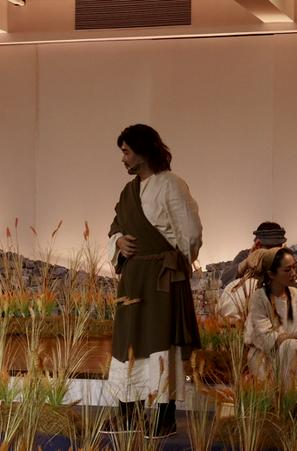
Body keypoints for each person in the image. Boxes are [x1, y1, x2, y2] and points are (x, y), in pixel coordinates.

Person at [106, 124, 202, 438]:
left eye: (126, 151)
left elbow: (190, 232)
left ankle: (164, 416)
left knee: (161, 343)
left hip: (162, 279)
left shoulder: (171, 184)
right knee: (129, 342)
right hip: (133, 279)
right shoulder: (128, 192)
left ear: (144, 151)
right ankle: (127, 414)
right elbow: (116, 227)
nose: (123, 159)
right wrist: (118, 242)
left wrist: (176, 265)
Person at [244, 247, 297, 389]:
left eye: (294, 268)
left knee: (292, 347)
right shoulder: (259, 299)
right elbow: (267, 339)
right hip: (265, 360)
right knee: (289, 346)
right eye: (287, 270)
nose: (293, 273)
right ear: (271, 274)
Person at [220, 222, 287, 287]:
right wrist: (246, 263)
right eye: (269, 247)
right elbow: (224, 280)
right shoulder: (244, 255)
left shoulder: (285, 258)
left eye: (277, 247)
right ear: (258, 245)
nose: (274, 252)